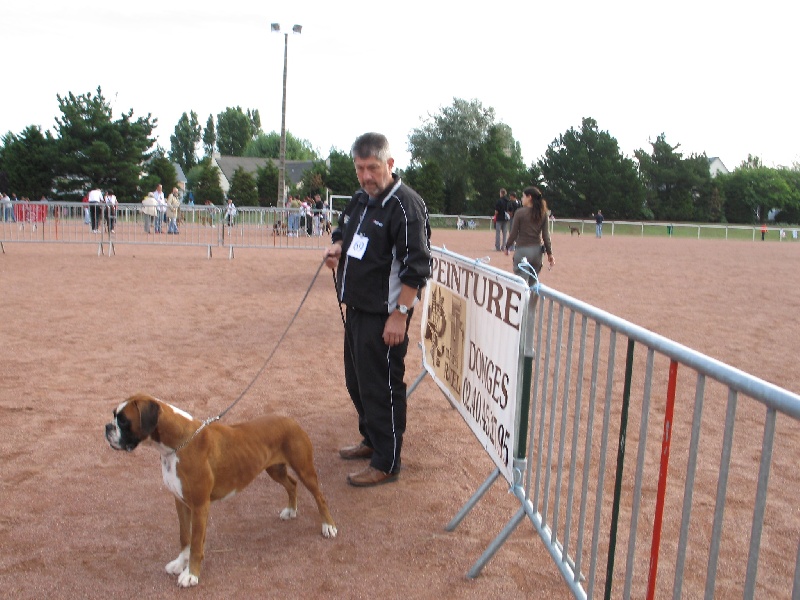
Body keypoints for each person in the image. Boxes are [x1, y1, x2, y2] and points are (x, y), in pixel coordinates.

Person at [323, 132, 431, 487]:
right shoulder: (360, 199)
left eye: (372, 168)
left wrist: (400, 313)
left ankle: (387, 461)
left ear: (389, 164)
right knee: (358, 382)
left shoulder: (405, 205)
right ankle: (371, 440)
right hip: (356, 308)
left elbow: (417, 264)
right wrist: (337, 246)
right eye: (359, 168)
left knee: (382, 387)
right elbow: (344, 229)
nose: (366, 176)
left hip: (385, 315)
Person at [505, 186, 555, 286]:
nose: (522, 199)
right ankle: (532, 302)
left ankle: (522, 302)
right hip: (537, 253)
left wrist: (507, 246)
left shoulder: (520, 213)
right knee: (534, 282)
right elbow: (546, 236)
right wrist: (550, 254)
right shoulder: (543, 214)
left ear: (529, 197)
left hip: (522, 251)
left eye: (523, 196)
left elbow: (513, 233)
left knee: (521, 283)